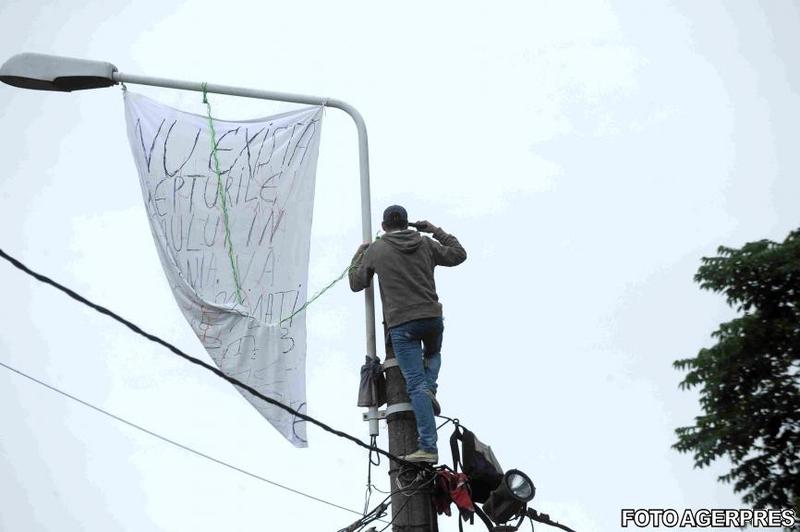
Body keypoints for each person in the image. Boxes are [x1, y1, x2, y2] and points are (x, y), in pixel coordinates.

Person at [349, 205, 467, 463]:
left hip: (403, 325)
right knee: (433, 353)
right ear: (408, 223)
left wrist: (359, 255)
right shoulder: (425, 243)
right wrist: (435, 230)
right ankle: (431, 390)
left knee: (415, 386)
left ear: (383, 226)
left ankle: (428, 447)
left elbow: (356, 283)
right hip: (432, 318)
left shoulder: (376, 250)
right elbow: (459, 254)